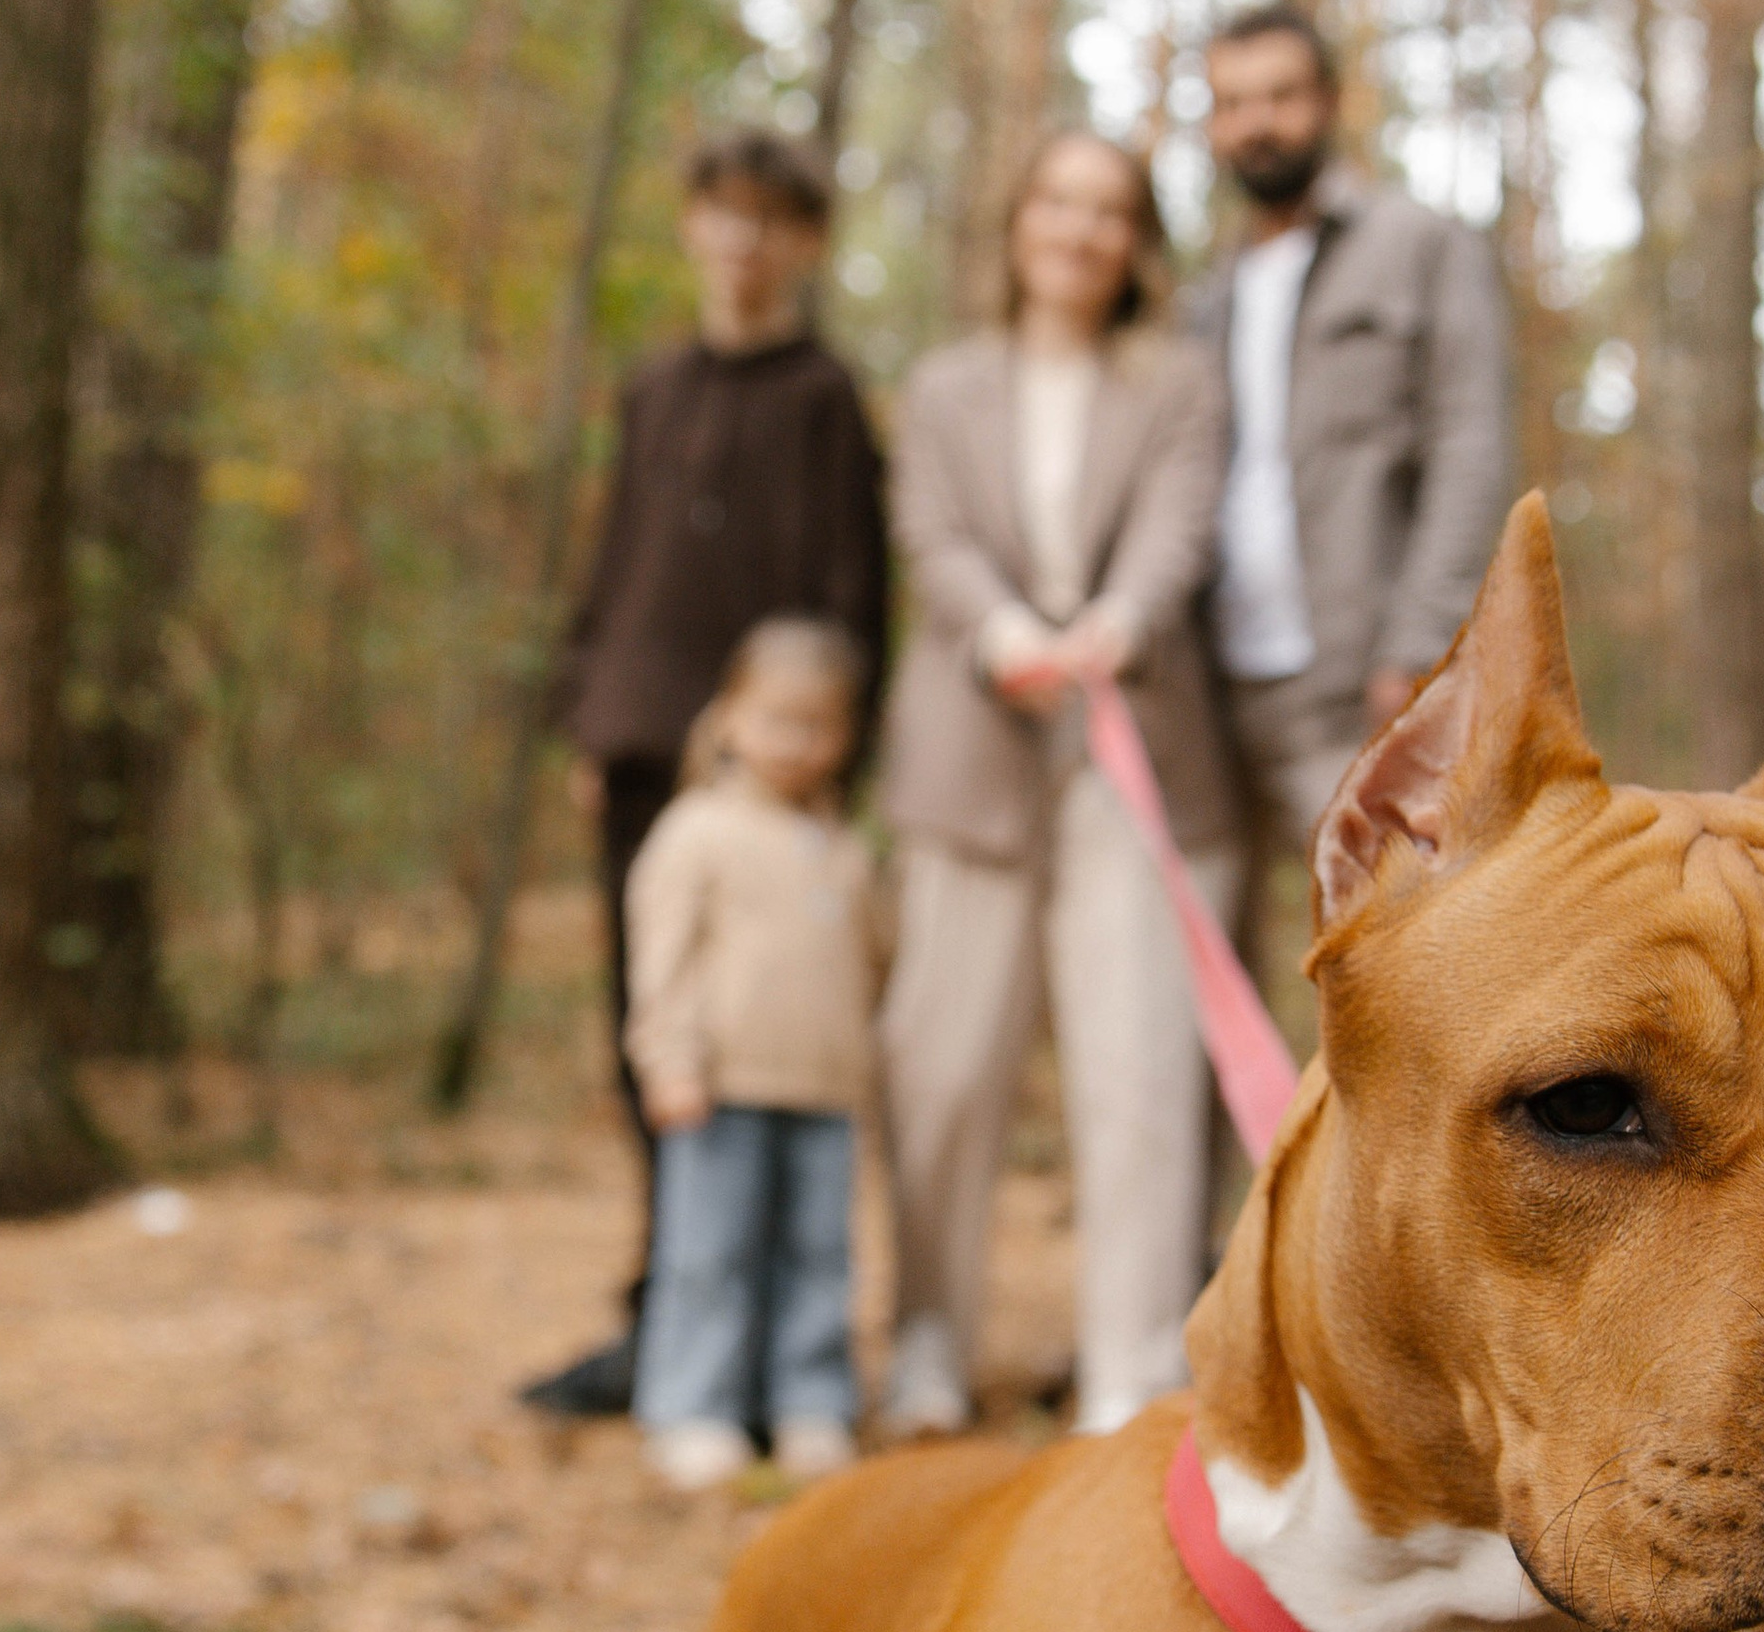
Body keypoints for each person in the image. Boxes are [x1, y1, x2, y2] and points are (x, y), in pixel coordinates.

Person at [523, 130, 889, 1418]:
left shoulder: (823, 400)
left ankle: (752, 1343)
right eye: (720, 218)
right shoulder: (654, 386)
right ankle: (662, 1311)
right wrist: (585, 716)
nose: (740, 244)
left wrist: (840, 759)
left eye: (768, 223)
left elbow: (854, 599)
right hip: (637, 745)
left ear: (803, 244)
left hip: (767, 773)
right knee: (655, 1031)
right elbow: (615, 558)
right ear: (691, 228)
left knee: (756, 1048)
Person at [879, 132, 1236, 1441]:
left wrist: (1121, 626)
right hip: (971, 758)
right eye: (1059, 202)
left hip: (1136, 758)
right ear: (1017, 219)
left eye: (1110, 210)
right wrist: (1002, 637)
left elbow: (1177, 524)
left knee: (1136, 1075)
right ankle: (927, 1341)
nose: (1080, 230)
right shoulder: (942, 386)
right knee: (944, 1064)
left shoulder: (1180, 382)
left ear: (1137, 239)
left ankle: (1129, 1373)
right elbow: (932, 533)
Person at [1177, 0, 1511, 868]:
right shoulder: (1205, 300)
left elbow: (1471, 450)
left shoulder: (1420, 247)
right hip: (1215, 693)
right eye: (1233, 102)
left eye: (1281, 95)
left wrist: (1419, 650)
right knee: (1223, 972)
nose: (1258, 123)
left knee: (1407, 949)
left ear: (1328, 101)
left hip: (1360, 685)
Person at [621, 620, 883, 1492]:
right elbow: (661, 957)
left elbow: (873, 966)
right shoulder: (697, 831)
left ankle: (808, 1398)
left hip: (822, 1090)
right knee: (710, 1252)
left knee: (817, 1253)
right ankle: (695, 1405)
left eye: (817, 726)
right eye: (775, 720)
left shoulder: (846, 848)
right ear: (730, 718)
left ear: (844, 736)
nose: (794, 745)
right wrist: (668, 1057)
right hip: (720, 1085)